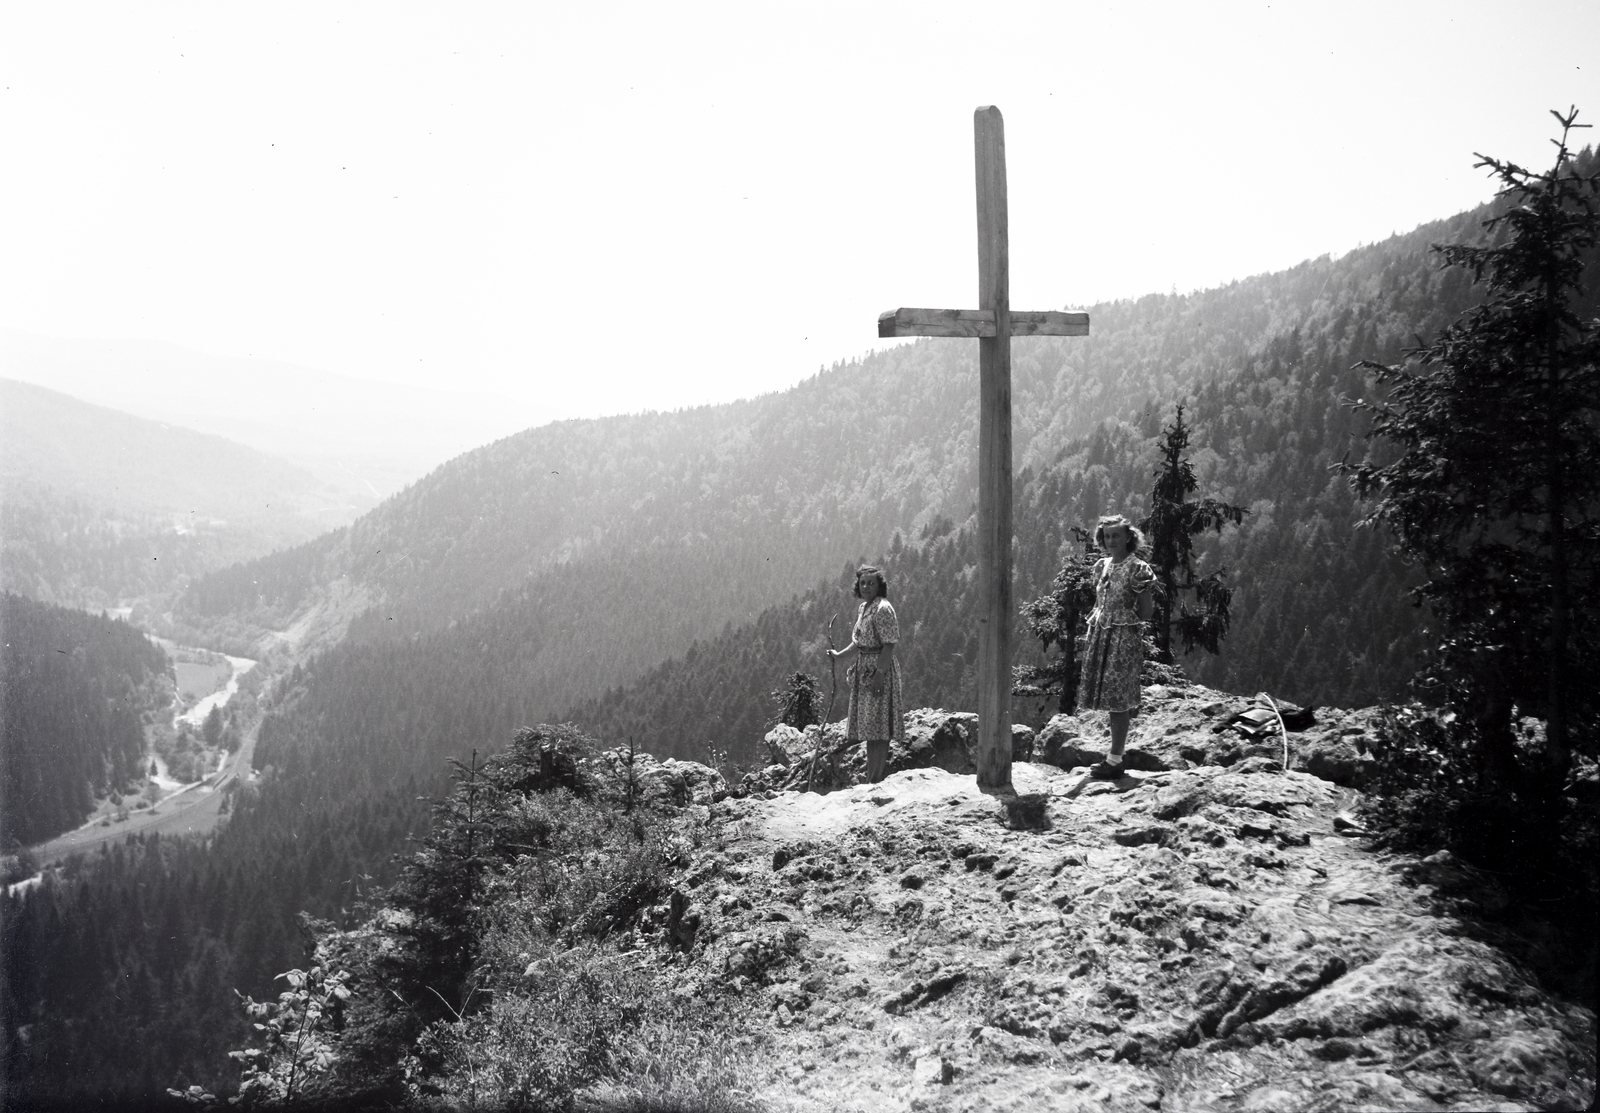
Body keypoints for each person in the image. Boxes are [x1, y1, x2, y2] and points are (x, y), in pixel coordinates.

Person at [1079, 515, 1156, 779]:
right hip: (1101, 634)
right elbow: (1101, 601)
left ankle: (1115, 760)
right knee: (1110, 697)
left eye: (1116, 536)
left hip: (1123, 638)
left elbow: (1146, 611)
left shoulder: (1138, 568)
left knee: (1118, 700)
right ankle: (1113, 757)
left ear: (1128, 538)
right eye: (1107, 536)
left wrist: (1124, 622)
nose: (1111, 541)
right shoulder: (1102, 566)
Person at [829, 565, 905, 783]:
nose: (866, 587)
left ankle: (875, 778)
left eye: (871, 583)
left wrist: (879, 675)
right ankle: (873, 778)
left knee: (879, 728)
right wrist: (839, 656)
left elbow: (889, 645)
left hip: (879, 670)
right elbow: (858, 643)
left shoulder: (883, 608)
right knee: (872, 728)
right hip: (865, 670)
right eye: (863, 583)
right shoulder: (864, 608)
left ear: (880, 585)